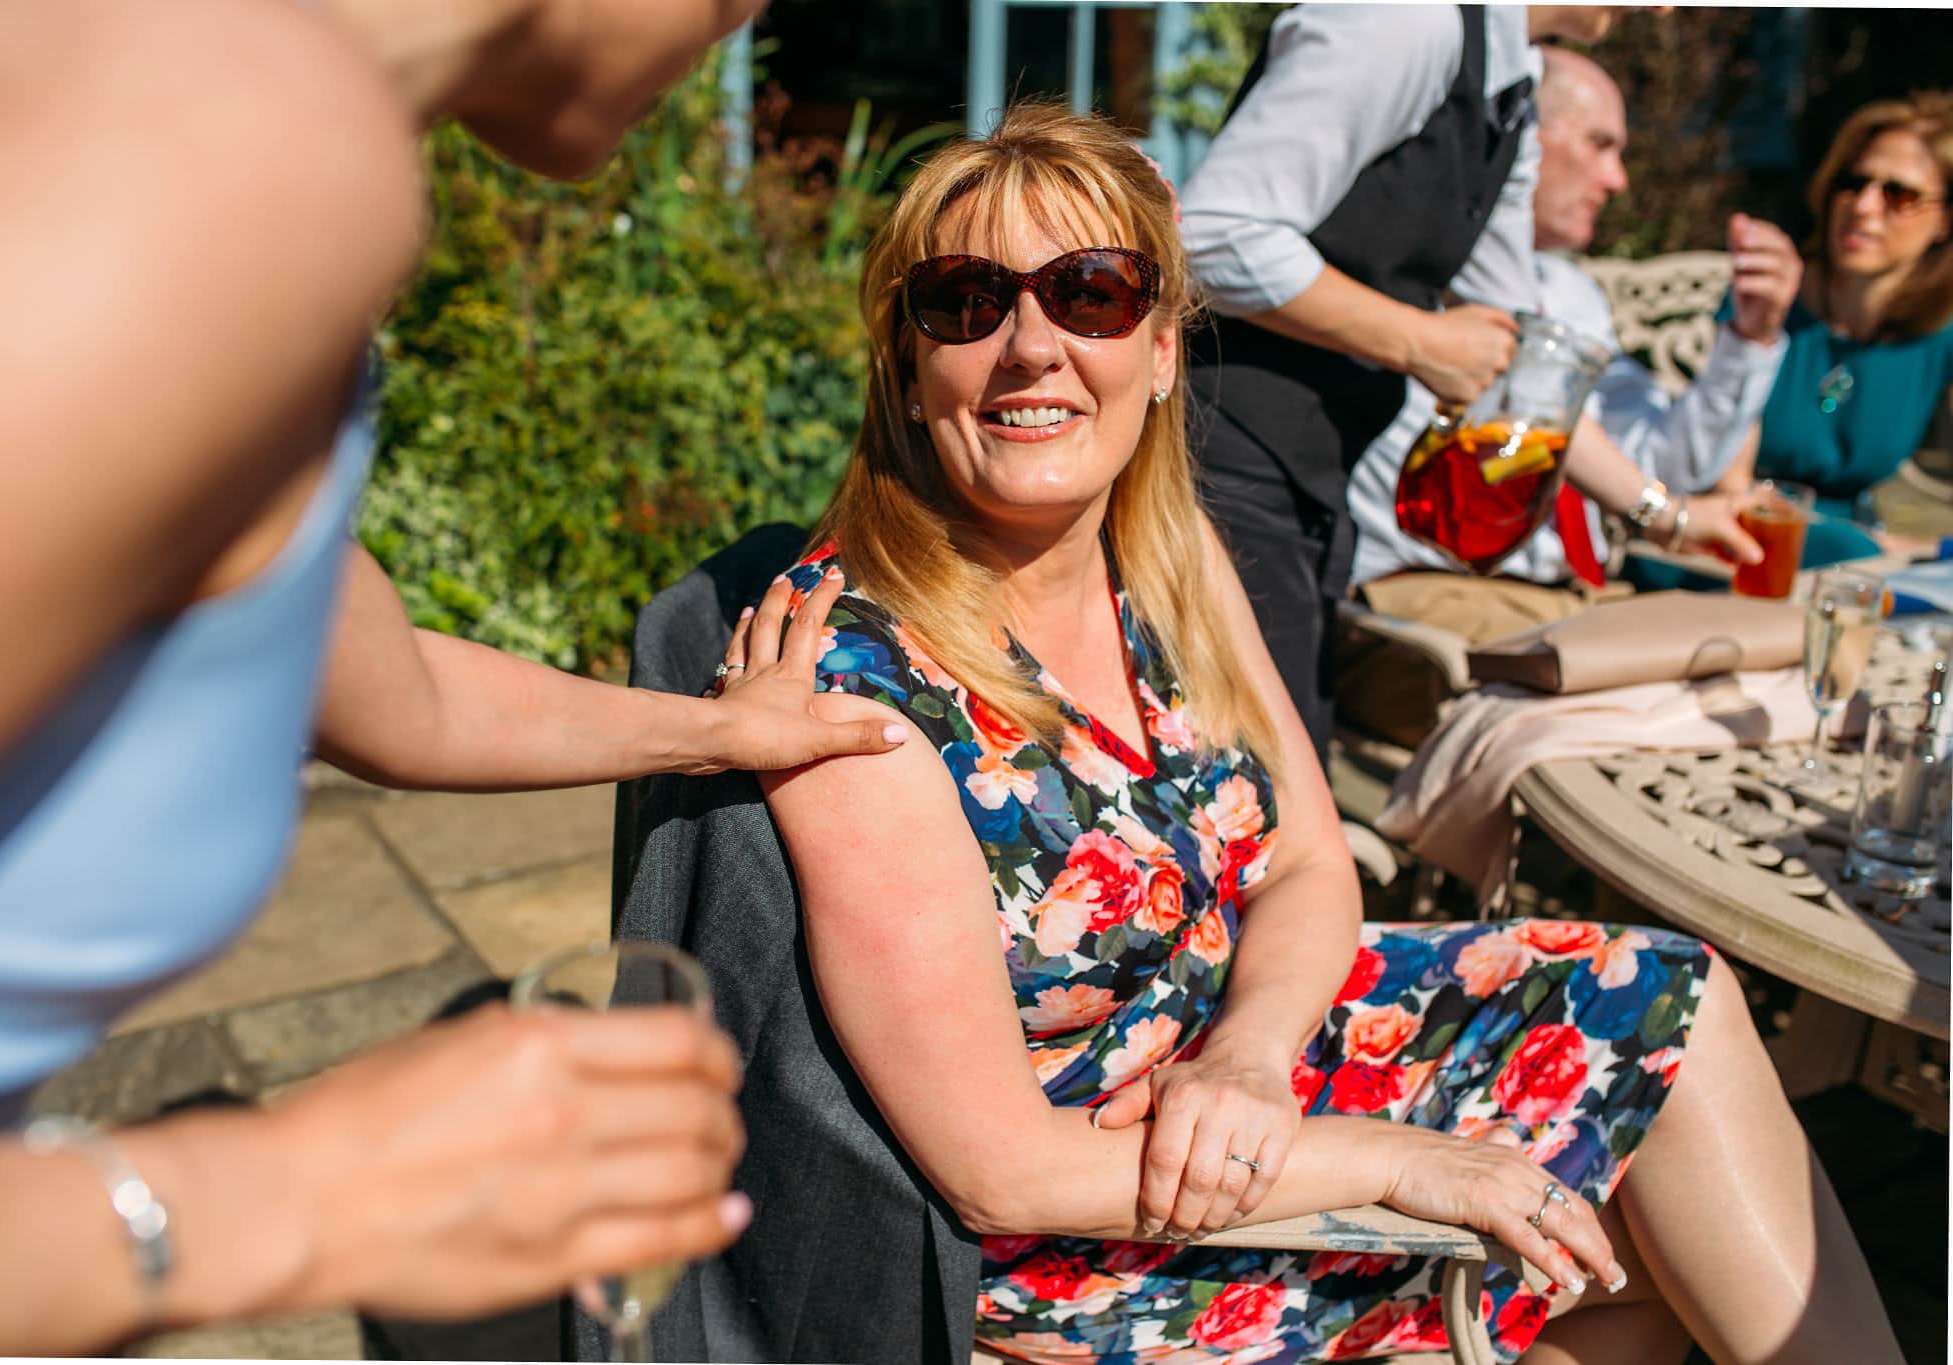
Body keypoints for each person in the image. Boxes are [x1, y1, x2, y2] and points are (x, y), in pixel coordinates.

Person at [726, 104, 1900, 1364]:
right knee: (1638, 1270)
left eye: (1091, 294)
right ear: (908, 363)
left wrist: (1243, 1057)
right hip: (1093, 1228)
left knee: (1667, 1001)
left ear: (1163, 349)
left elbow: (1303, 862)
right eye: (965, 300)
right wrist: (1401, 1164)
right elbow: (997, 1174)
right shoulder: (853, 678)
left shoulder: (1158, 559)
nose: (1030, 349)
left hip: (1234, 1069)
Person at [0, 0, 899, 1353]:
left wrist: (721, 731)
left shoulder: (157, 103)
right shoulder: (219, 142)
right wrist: (287, 1191)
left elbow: (397, 693)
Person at [1178, 4, 1612, 761]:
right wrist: (1421, 342)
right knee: (1258, 783)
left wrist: (1665, 512)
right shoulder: (1403, 20)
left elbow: (1511, 339)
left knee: (1277, 779)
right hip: (1215, 457)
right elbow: (1211, 232)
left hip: (1313, 477)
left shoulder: (1510, 83)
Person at [1338, 46, 1803, 746]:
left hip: (1561, 601)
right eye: (1600, 145)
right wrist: (1667, 518)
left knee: (1754, 676)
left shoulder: (1573, 297)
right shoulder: (1417, 280)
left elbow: (1660, 458)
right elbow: (1530, 421)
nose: (1617, 178)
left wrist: (1752, 335)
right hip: (1422, 605)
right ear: (1523, 139)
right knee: (1656, 712)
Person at [1716, 90, 1953, 566]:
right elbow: (1728, 485)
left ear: (1945, 220)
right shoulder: (1769, 300)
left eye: (1898, 194)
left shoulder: (1937, 335)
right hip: (1739, 540)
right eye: (1854, 182)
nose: (1864, 206)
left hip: (1857, 551)